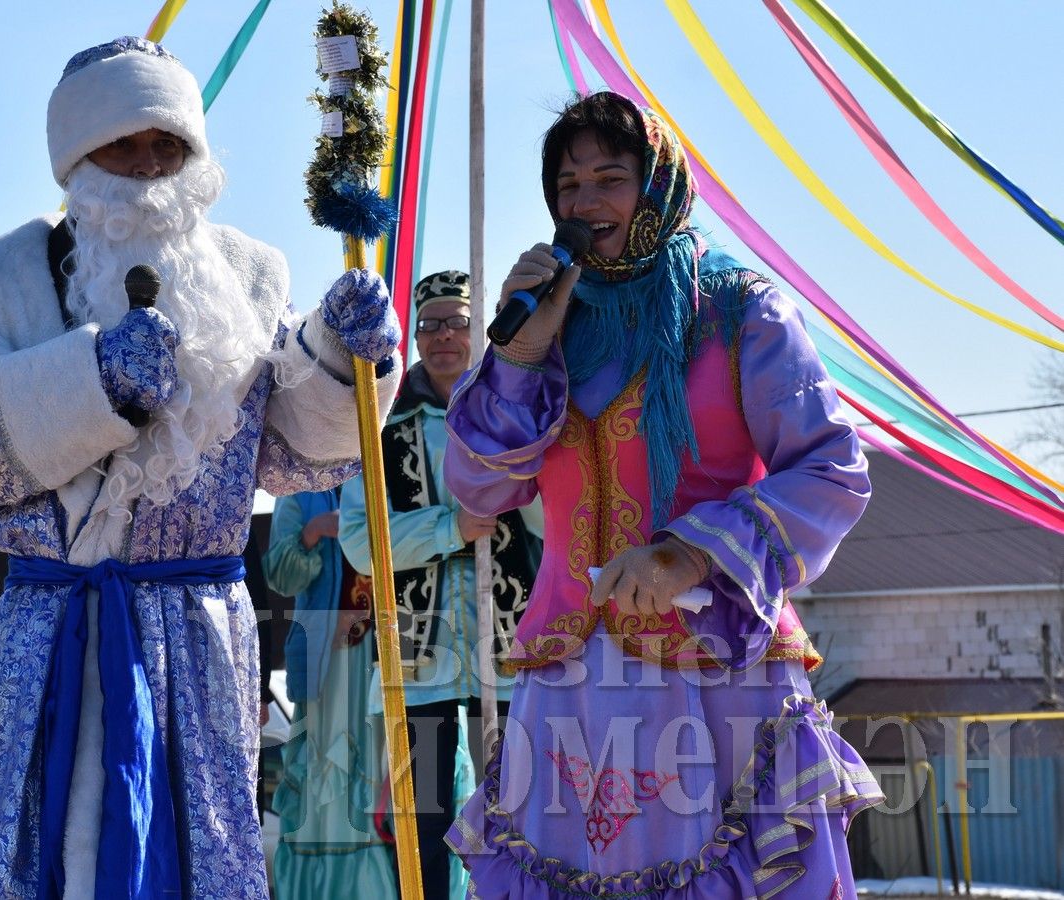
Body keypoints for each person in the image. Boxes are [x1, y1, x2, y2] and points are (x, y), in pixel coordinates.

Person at [0, 37, 401, 899]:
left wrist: (337, 359)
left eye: (165, 143)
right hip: (52, 632)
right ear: (74, 159)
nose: (146, 167)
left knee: (194, 854)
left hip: (198, 640)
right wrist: (89, 383)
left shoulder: (247, 281)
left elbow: (287, 458)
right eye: (121, 145)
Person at [442, 92, 882, 897]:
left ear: (658, 187)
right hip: (571, 676)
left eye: (610, 178)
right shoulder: (551, 320)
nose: (584, 203)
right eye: (568, 186)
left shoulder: (738, 307)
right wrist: (519, 355)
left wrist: (690, 553)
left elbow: (829, 468)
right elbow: (475, 490)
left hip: (715, 663)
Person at [339, 271, 543, 900]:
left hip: (506, 651)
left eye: (457, 321)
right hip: (416, 656)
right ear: (414, 337)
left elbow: (549, 519)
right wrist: (447, 527)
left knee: (521, 813)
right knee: (421, 820)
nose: (444, 336)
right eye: (429, 324)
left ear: (480, 330)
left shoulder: (514, 420)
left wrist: (518, 465)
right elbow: (359, 541)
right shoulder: (379, 431)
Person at [264, 489, 395, 899]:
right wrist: (313, 532)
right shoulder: (298, 492)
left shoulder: (383, 472)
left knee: (389, 780)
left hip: (390, 658)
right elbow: (279, 576)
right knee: (327, 794)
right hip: (328, 664)